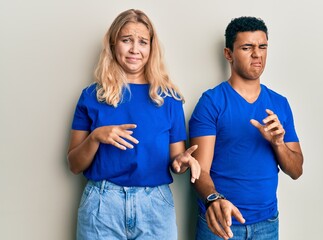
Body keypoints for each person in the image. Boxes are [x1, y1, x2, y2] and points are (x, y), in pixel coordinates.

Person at [67, 9, 200, 240]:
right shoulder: (91, 96)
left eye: (142, 42)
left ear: (151, 48)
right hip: (102, 205)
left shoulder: (169, 99)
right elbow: (74, 164)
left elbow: (176, 161)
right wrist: (96, 136)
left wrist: (183, 161)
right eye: (126, 40)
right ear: (113, 44)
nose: (134, 49)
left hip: (155, 207)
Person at [189, 16, 303, 240]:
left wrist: (278, 144)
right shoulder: (211, 102)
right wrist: (214, 199)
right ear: (228, 54)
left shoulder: (279, 104)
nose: (257, 54)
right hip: (221, 223)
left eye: (262, 47)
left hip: (267, 223)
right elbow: (199, 170)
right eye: (247, 47)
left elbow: (296, 170)